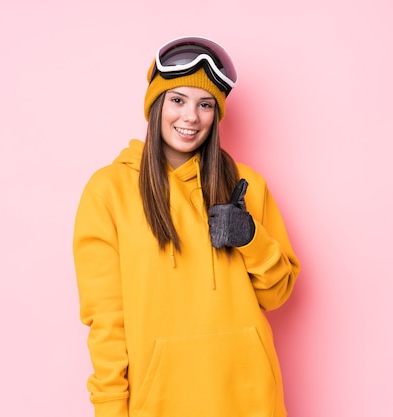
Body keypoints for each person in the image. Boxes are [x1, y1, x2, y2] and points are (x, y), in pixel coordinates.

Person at [73, 36, 301, 417]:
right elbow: (106, 321)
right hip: (160, 403)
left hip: (249, 398)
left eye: (205, 104)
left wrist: (250, 238)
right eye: (177, 100)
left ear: (216, 114)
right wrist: (110, 408)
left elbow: (278, 295)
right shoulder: (108, 191)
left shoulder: (246, 187)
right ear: (156, 104)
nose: (191, 117)